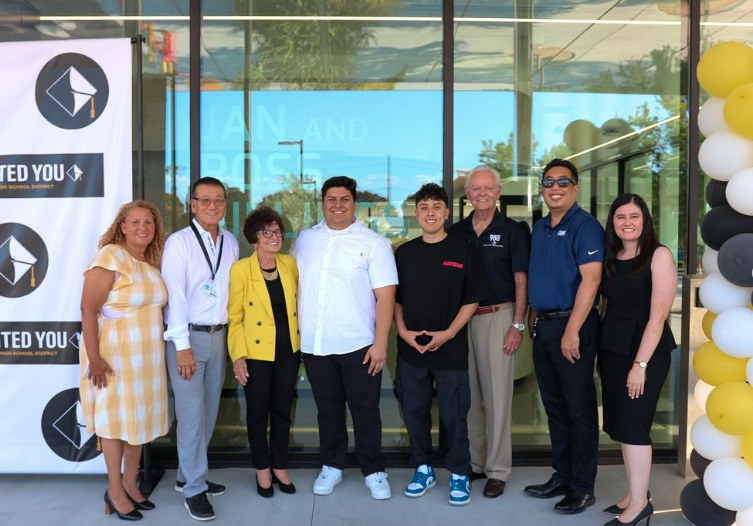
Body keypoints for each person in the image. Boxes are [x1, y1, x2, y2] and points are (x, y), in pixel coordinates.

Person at [291, 176, 398, 500]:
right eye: (331, 199)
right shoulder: (305, 240)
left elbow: (386, 297)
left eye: (344, 199)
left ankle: (374, 470)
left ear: (354, 204)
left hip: (359, 345)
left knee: (366, 410)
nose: (337, 205)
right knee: (327, 410)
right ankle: (332, 465)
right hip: (316, 344)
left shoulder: (373, 243)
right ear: (322, 203)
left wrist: (380, 344)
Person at [394, 183, 484, 506]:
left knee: (454, 414)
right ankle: (424, 468)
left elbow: (471, 300)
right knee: (414, 412)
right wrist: (403, 332)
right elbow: (396, 300)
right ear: (416, 213)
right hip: (411, 349)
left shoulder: (464, 251)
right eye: (424, 207)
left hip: (450, 349)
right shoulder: (404, 253)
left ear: (447, 213)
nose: (430, 213)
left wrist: (446, 335)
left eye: (436, 207)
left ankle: (459, 472)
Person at [524, 158, 605, 514]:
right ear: (542, 188)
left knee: (580, 410)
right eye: (548, 182)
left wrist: (571, 331)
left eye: (563, 182)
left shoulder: (584, 226)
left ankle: (583, 487)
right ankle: (563, 475)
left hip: (574, 327)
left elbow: (591, 280)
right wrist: (531, 317)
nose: (555, 188)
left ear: (575, 188)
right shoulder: (540, 226)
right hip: (544, 326)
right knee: (555, 408)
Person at [79, 200, 168, 521]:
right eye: (135, 222)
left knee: (138, 421)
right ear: (122, 226)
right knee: (115, 424)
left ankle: (131, 482)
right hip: (114, 356)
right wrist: (95, 359)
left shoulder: (150, 261)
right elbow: (88, 309)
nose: (143, 227)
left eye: (149, 222)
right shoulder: (110, 256)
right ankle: (114, 489)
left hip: (147, 359)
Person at [448, 165, 529, 498]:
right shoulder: (456, 232)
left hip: (498, 317)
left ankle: (497, 469)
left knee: (497, 397)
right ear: (467, 195)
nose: (481, 194)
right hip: (461, 321)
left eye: (487, 188)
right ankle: (476, 464)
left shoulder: (512, 231)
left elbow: (521, 280)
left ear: (497, 193)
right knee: (469, 398)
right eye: (475, 189)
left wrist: (517, 324)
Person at [162, 177, 239, 521]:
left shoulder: (232, 242)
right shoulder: (178, 243)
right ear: (192, 204)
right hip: (188, 339)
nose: (212, 205)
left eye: (218, 200)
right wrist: (181, 347)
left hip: (219, 336)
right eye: (204, 200)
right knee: (191, 418)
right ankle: (194, 490)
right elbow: (174, 298)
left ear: (225, 205)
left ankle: (185, 476)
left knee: (207, 415)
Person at [599, 194, 676, 526]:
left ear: (645, 219)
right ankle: (634, 494)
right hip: (613, 349)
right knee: (622, 426)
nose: (626, 222)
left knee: (634, 427)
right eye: (620, 217)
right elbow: (607, 305)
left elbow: (657, 319)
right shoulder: (612, 256)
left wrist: (640, 365)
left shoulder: (659, 256)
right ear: (612, 223)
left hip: (645, 353)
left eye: (633, 216)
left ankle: (640, 506)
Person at [227, 207, 300, 498]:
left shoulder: (289, 264)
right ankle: (261, 468)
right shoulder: (241, 269)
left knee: (282, 411)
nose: (274, 236)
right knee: (258, 414)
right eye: (266, 232)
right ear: (253, 238)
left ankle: (279, 465)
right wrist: (238, 355)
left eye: (277, 231)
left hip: (288, 350)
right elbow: (235, 317)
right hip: (256, 354)